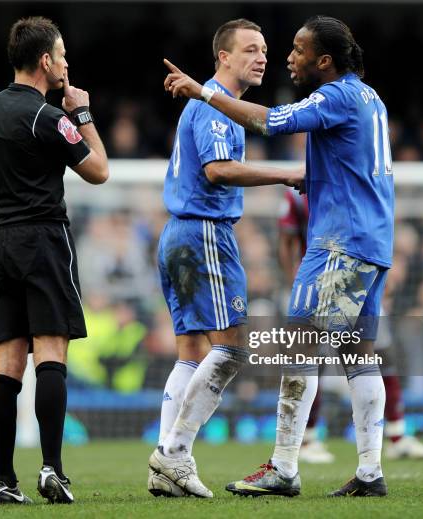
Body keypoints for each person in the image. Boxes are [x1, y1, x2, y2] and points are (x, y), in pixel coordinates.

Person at [164, 15, 393, 497]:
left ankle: (285, 467)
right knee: (358, 354)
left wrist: (203, 92)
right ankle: (370, 471)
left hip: (340, 242)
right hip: (374, 242)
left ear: (324, 61)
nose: (287, 57)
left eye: (298, 49)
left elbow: (267, 121)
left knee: (298, 345)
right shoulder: (370, 98)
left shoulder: (334, 97)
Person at [0, 16, 108, 505]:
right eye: (61, 55)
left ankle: (2, 483)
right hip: (44, 239)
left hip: (0, 244)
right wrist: (83, 114)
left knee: (7, 364)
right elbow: (98, 170)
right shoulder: (47, 116)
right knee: (51, 353)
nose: (65, 62)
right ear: (44, 61)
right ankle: (52, 470)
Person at [149, 18, 304, 499]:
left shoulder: (215, 105)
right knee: (232, 347)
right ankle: (173, 455)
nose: (262, 57)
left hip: (177, 234)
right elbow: (218, 170)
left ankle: (165, 463)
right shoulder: (213, 107)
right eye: (251, 49)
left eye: (264, 49)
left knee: (192, 352)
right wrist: (286, 173)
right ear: (224, 57)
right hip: (204, 234)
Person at [278, 187, 423, 463]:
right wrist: (295, 280)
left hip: (358, 277)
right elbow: (286, 239)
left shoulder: (352, 178)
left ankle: (396, 437)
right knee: (315, 360)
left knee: (379, 354)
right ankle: (307, 440)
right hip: (319, 282)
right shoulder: (297, 191)